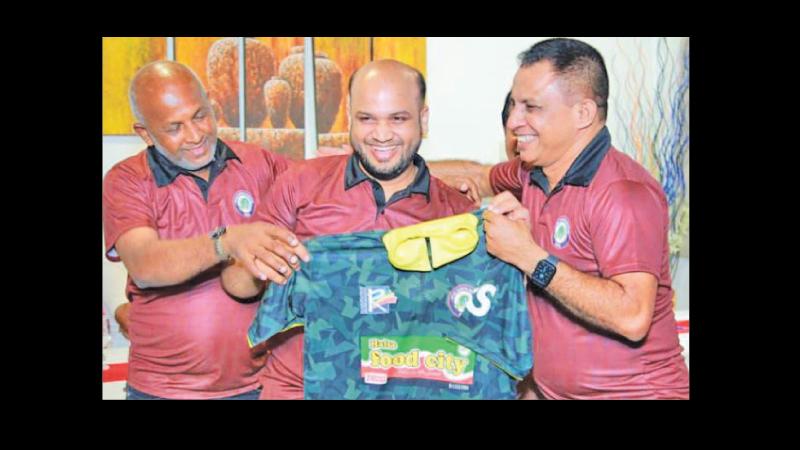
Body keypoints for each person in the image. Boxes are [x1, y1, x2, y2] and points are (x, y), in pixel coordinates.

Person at [221, 59, 480, 399]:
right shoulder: (300, 183)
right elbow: (237, 286)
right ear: (349, 117)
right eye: (366, 118)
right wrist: (255, 261)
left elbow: (469, 322)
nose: (381, 134)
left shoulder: (456, 212)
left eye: (398, 118)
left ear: (423, 119)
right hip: (300, 389)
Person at [451, 38, 689, 399]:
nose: (514, 122)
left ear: (583, 113)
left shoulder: (624, 193)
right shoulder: (532, 172)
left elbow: (632, 316)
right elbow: (478, 175)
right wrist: (379, 166)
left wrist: (529, 256)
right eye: (515, 105)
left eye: (531, 108)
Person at [102, 61, 310, 399]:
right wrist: (226, 242)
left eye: (200, 116)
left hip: (258, 385)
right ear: (144, 133)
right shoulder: (126, 180)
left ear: (211, 103)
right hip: (162, 391)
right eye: (175, 128)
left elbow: (324, 189)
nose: (195, 136)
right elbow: (145, 265)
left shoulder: (260, 163)